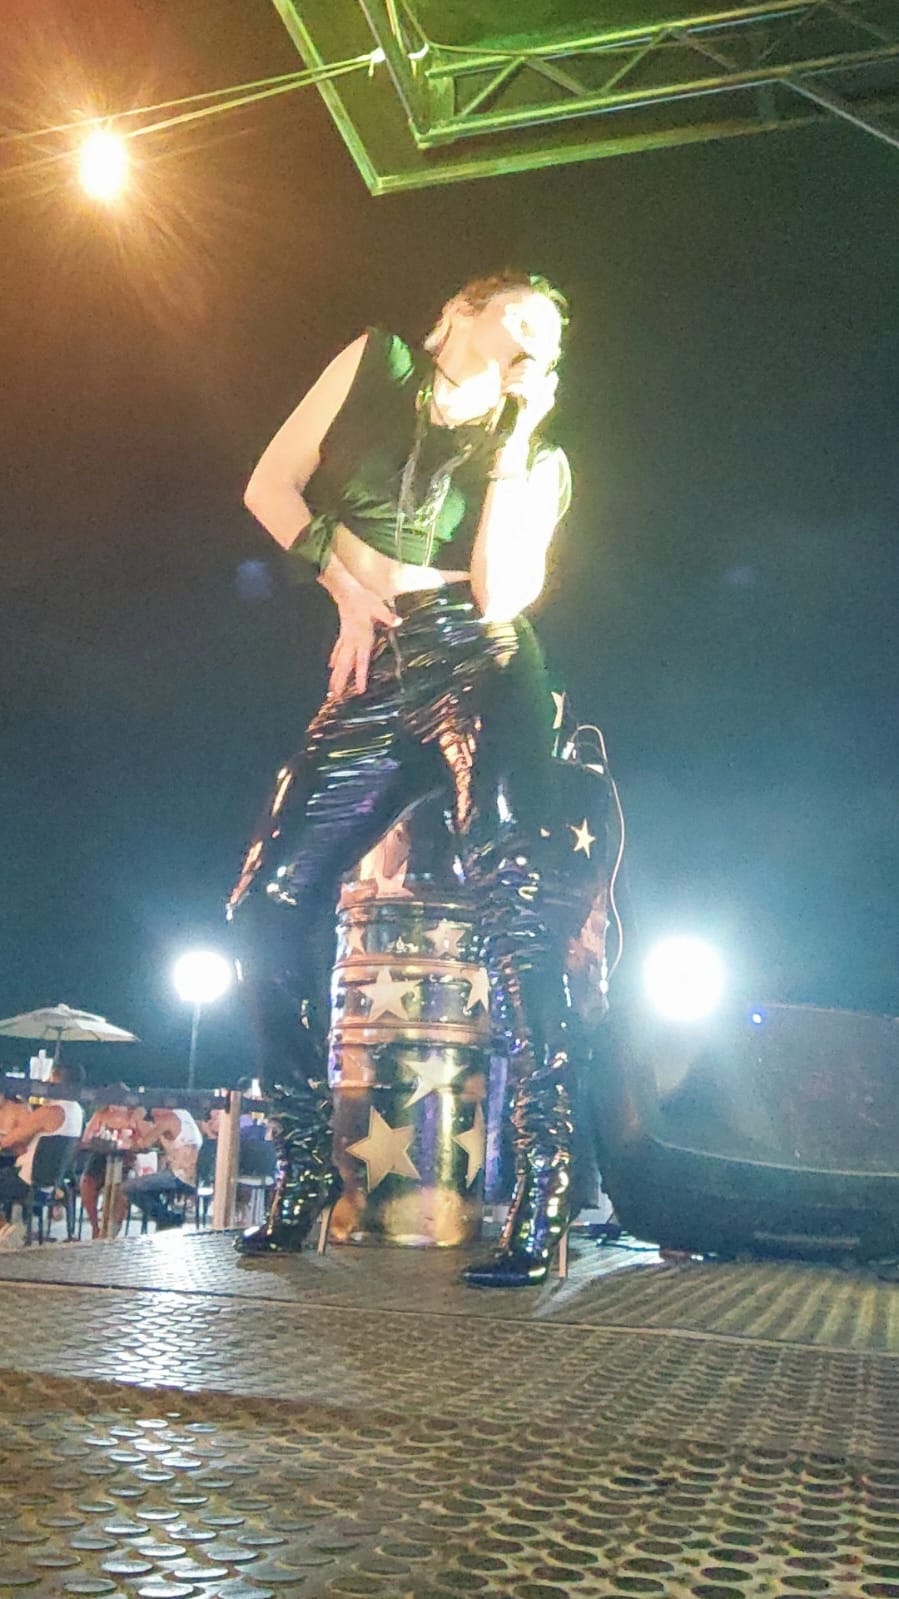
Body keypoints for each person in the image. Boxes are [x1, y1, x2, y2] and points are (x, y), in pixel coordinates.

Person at [228, 269, 577, 1286]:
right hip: (375, 663)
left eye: (550, 337)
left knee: (512, 895)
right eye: (521, 315)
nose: (535, 339)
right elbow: (269, 487)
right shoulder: (375, 361)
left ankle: (544, 1187)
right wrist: (342, 588)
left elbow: (502, 592)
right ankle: (304, 1171)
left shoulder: (538, 455)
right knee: (266, 904)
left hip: (478, 657)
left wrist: (514, 440)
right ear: (462, 311)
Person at [0, 1062, 85, 1245]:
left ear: (57, 1082)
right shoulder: (77, 1111)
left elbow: (8, 1140)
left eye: (49, 1079)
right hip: (50, 1183)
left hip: (27, 1180)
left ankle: (4, 1227)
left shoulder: (50, 1112)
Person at [121, 1105, 202, 1230]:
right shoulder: (184, 1115)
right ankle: (166, 1219)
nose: (153, 1118)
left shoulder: (167, 1119)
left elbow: (144, 1144)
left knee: (128, 1187)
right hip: (193, 1177)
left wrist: (136, 1124)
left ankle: (167, 1219)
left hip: (177, 1176)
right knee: (147, 1190)